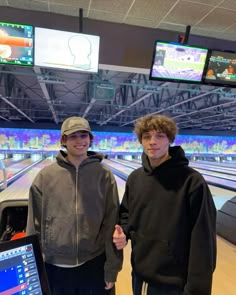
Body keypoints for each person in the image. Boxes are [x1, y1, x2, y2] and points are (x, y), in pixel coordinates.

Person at [113, 114, 216, 295]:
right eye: (146, 137)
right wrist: (124, 232)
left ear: (170, 139)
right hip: (140, 276)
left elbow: (203, 241)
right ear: (141, 141)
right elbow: (127, 214)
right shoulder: (135, 178)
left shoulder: (192, 181)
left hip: (175, 283)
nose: (152, 141)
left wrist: (196, 289)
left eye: (159, 136)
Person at [27, 116, 123, 295]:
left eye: (83, 135)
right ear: (64, 140)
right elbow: (34, 226)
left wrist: (112, 268)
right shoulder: (45, 176)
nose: (79, 141)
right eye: (73, 136)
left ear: (90, 139)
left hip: (93, 263)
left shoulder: (104, 175)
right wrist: (34, 268)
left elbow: (112, 223)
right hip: (55, 266)